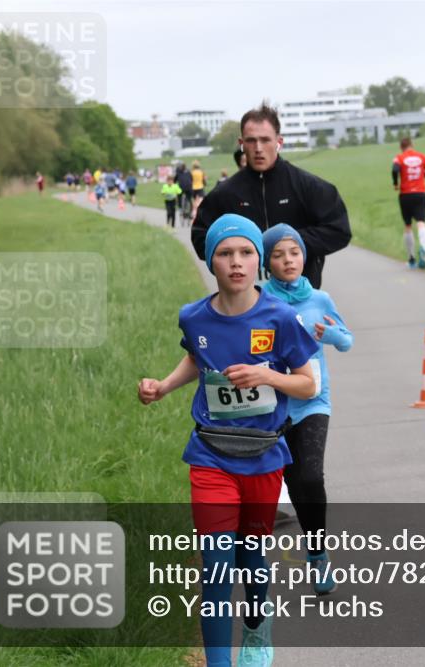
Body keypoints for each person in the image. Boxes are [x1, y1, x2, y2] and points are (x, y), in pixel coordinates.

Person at [138, 214, 319, 667]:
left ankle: (257, 627)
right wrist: (163, 386)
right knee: (217, 563)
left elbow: (307, 385)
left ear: (259, 261)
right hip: (211, 454)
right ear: (211, 261)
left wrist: (267, 376)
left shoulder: (281, 318)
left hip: (263, 456)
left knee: (251, 556)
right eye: (225, 253)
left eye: (245, 253)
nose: (236, 262)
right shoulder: (193, 316)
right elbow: (197, 359)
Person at [261, 223, 353, 595]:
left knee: (311, 478)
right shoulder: (260, 300)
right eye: (279, 255)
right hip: (273, 404)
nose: (288, 260)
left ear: (304, 256)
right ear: (267, 262)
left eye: (294, 252)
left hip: (314, 399)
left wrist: (330, 335)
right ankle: (304, 550)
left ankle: (318, 554)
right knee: (293, 481)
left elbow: (346, 341)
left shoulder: (320, 298)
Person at [192, 103, 351, 289]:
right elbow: (200, 237)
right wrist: (239, 248)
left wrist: (288, 243)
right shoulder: (224, 193)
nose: (258, 148)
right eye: (251, 141)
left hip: (298, 296)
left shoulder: (308, 186)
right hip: (244, 299)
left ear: (279, 142)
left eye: (265, 140)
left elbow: (339, 230)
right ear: (242, 144)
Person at [392, 136, 425, 268]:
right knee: (421, 222)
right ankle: (423, 248)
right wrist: (422, 174)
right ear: (412, 145)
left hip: (405, 194)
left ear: (401, 147)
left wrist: (395, 183)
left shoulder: (399, 158)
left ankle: (411, 258)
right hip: (420, 193)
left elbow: (395, 170)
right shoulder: (422, 157)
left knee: (408, 225)